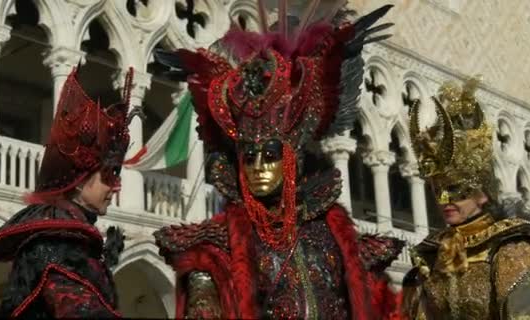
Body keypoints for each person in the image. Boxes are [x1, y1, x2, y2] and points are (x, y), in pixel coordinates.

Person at [152, 3, 405, 319]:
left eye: (270, 156)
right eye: (249, 158)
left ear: (292, 160)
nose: (258, 168)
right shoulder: (217, 245)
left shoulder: (333, 234)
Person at [0, 67, 135, 318]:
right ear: (78, 181)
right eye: (107, 177)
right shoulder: (55, 240)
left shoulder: (73, 236)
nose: (115, 187)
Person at [400, 78, 530, 319]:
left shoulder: (512, 251)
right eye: (437, 190)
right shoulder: (430, 259)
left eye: (456, 189)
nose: (445, 199)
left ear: (482, 194)